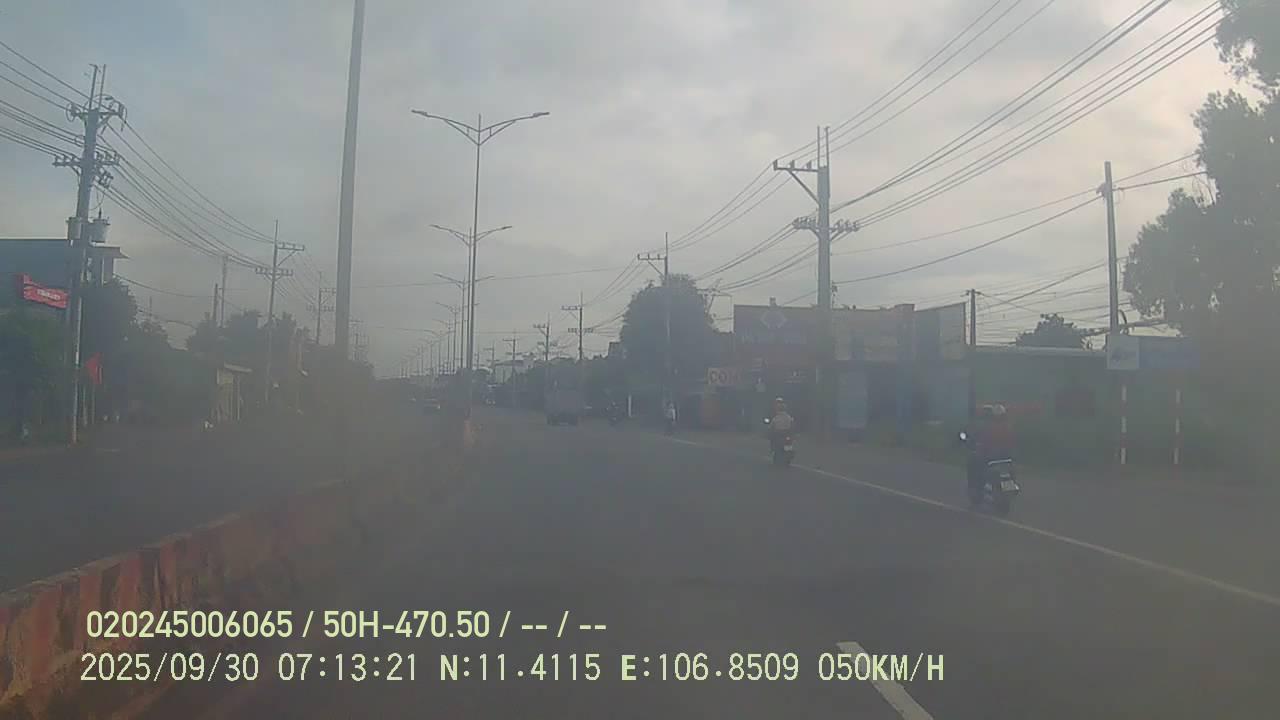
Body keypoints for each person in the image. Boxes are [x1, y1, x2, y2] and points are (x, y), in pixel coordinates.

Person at [967, 404, 1014, 495]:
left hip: (991, 456)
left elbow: (983, 442)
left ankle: (976, 487)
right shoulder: (1008, 427)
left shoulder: (988, 427)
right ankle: (978, 487)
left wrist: (979, 447)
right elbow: (1012, 443)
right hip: (1006, 456)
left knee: (973, 461)